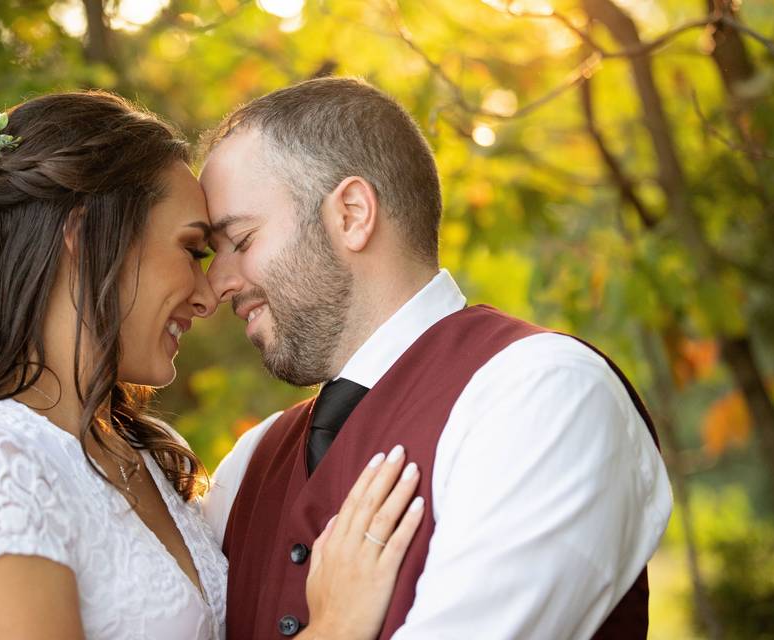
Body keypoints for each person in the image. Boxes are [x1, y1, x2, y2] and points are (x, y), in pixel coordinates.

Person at [0, 90, 424, 640]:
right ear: (85, 235)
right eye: (194, 251)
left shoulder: (150, 455)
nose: (207, 294)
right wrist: (333, 627)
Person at [199, 76, 674, 639]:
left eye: (242, 241)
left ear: (352, 214)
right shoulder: (247, 464)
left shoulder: (547, 393)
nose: (216, 285)